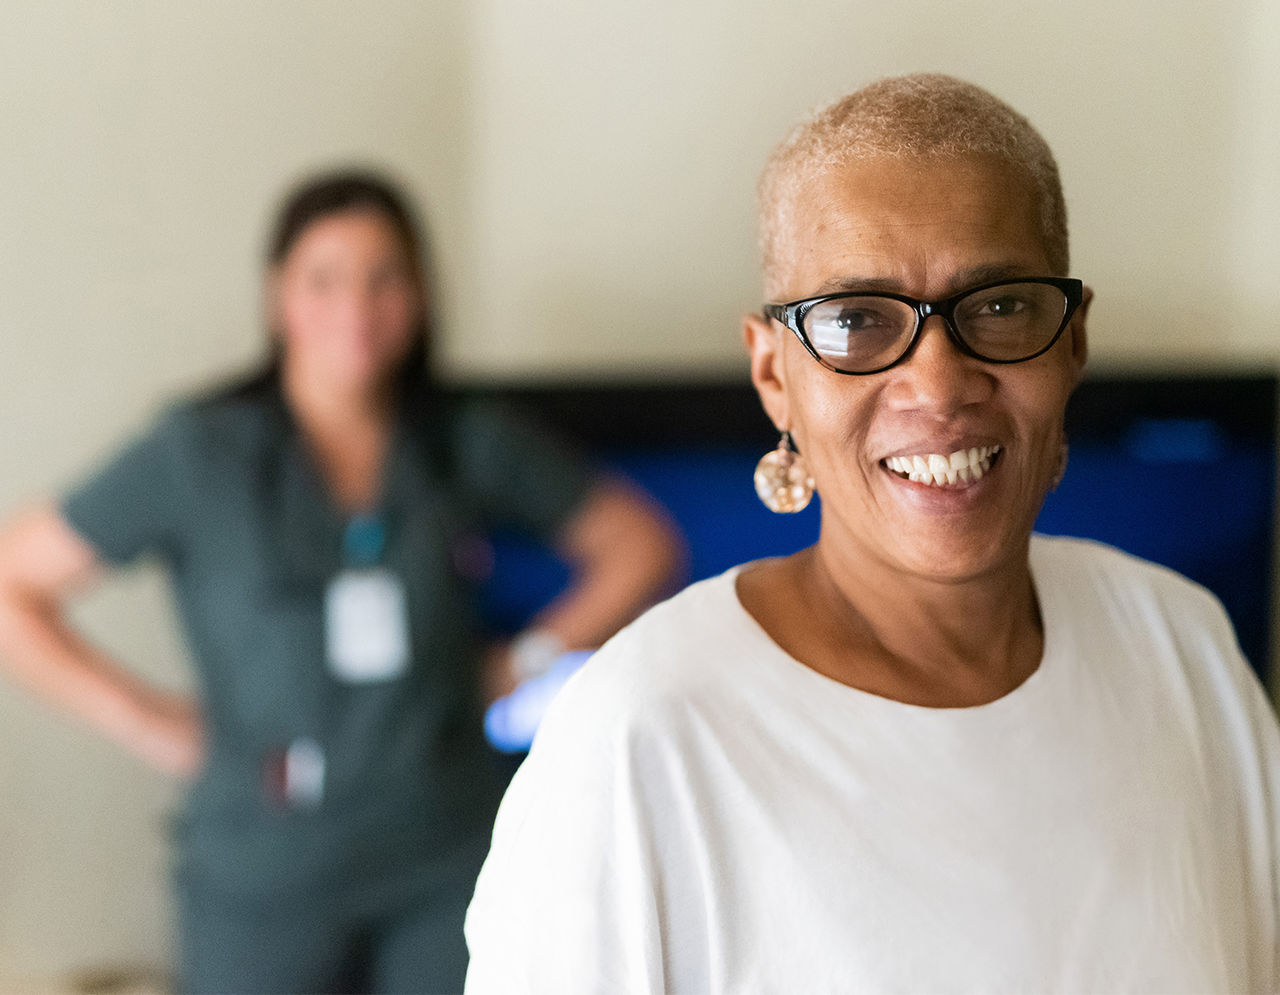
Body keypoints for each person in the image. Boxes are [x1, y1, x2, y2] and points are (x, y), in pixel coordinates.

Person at [463, 75, 1280, 992]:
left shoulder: (1185, 650)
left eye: (1000, 306)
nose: (937, 387)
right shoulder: (637, 739)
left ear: (1073, 342)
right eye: (856, 320)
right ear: (774, 374)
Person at [0, 169, 683, 994]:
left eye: (384, 277)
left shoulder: (463, 440)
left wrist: (525, 659)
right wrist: (149, 723)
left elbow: (640, 543)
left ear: (421, 294)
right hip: (262, 870)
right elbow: (14, 586)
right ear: (278, 296)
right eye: (324, 279)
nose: (356, 307)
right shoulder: (198, 455)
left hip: (445, 850)